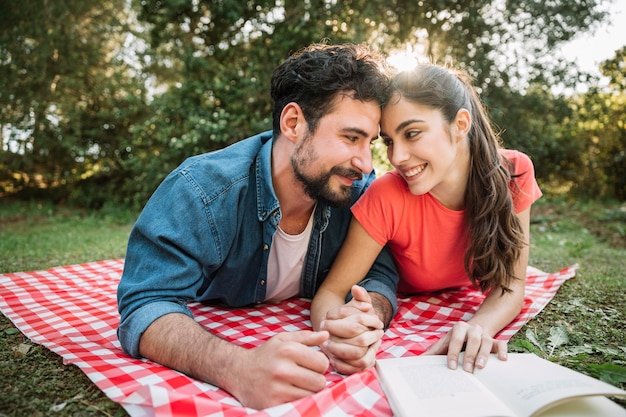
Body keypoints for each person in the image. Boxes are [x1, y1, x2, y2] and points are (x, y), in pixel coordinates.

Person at [116, 43, 400, 410]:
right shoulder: (202, 191)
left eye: (370, 143)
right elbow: (146, 302)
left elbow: (379, 271)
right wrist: (238, 367)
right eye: (350, 138)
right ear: (293, 123)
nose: (365, 163)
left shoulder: (357, 191)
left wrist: (366, 317)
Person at [311, 63, 543, 376]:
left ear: (460, 124)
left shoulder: (514, 173)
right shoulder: (387, 194)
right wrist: (336, 333)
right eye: (390, 141)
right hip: (389, 289)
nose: (397, 157)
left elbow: (511, 288)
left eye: (412, 133)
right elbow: (330, 293)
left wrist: (476, 327)